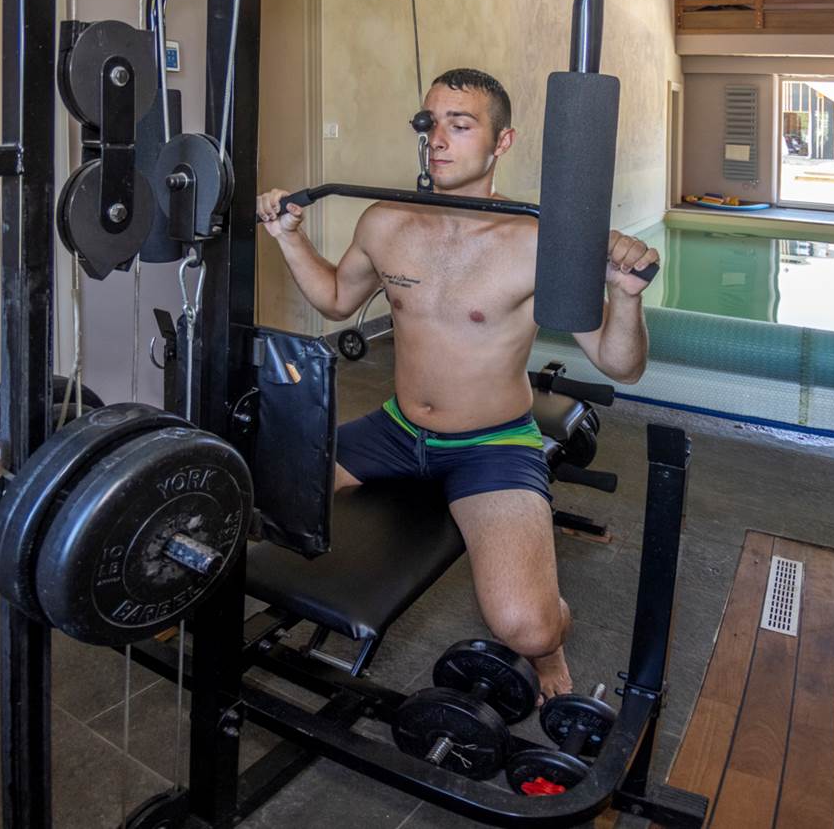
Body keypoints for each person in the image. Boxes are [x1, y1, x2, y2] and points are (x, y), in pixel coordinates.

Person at [256, 67, 657, 698]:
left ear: (502, 142)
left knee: (525, 628)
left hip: (491, 445)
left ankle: (550, 648)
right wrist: (288, 238)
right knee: (261, 494)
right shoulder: (386, 221)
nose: (438, 139)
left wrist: (625, 297)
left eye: (460, 125)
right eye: (430, 123)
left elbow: (619, 364)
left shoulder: (537, 241)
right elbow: (336, 298)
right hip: (395, 430)